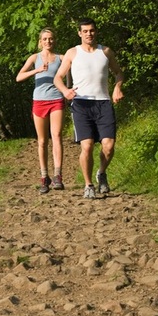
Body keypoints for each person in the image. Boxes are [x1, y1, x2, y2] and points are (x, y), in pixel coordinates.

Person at [53, 18, 124, 199]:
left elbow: (119, 72)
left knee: (108, 146)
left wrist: (117, 88)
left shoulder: (105, 52)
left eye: (91, 30)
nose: (89, 34)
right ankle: (88, 185)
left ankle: (101, 173)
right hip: (82, 104)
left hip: (104, 103)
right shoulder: (72, 53)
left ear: (96, 31)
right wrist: (65, 91)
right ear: (79, 33)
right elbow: (58, 78)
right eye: (85, 31)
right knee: (87, 145)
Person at [16, 28, 66, 194]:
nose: (48, 42)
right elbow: (19, 77)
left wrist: (69, 90)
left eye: (50, 39)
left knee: (57, 136)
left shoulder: (61, 58)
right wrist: (36, 70)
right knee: (42, 140)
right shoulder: (34, 58)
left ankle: (58, 175)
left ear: (54, 40)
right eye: (45, 39)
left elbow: (72, 73)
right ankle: (44, 177)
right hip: (39, 101)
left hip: (56, 99)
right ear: (40, 42)